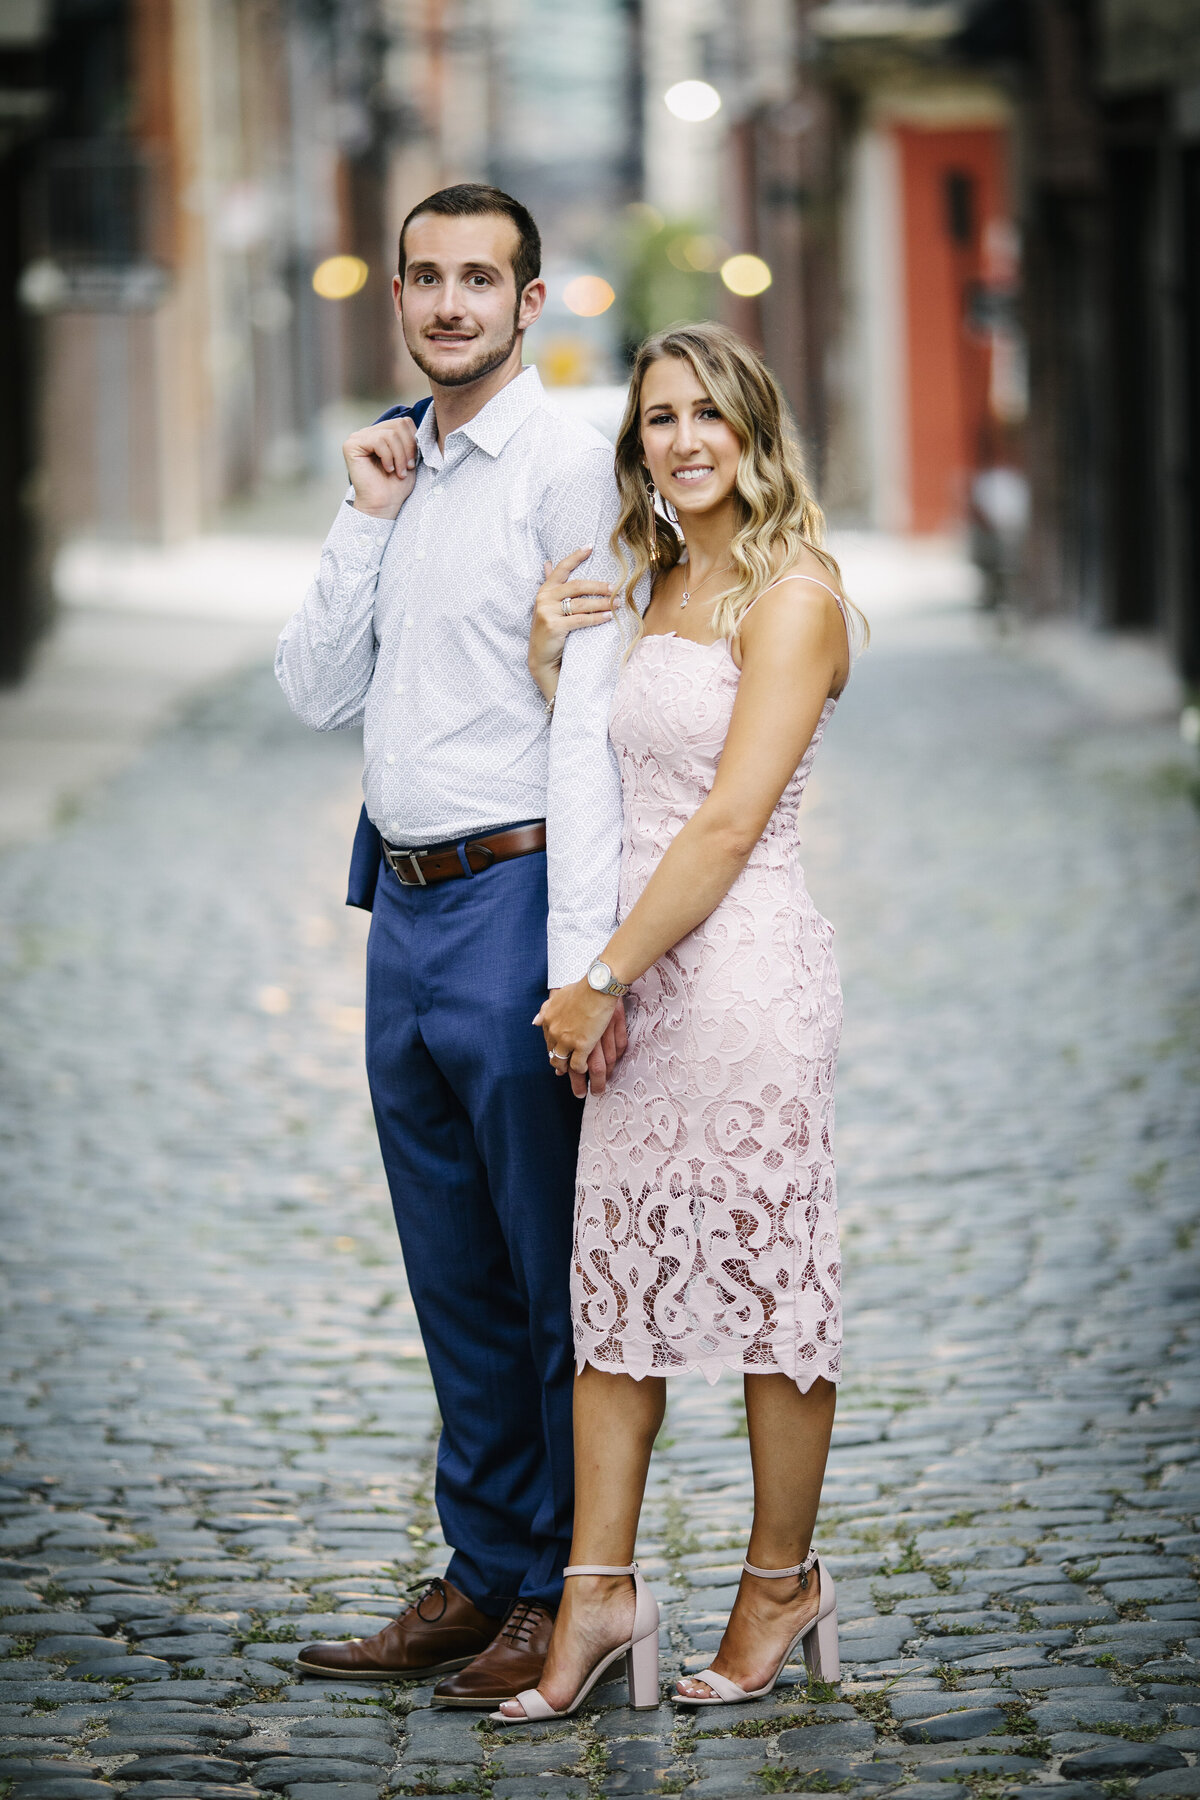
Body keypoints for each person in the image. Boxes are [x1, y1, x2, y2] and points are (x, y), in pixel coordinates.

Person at [275, 183, 634, 1707]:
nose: (446, 305)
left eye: (479, 279)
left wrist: (584, 961)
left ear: (531, 301)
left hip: (513, 898)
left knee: (548, 1272)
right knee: (450, 1267)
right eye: (425, 278)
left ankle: (565, 1593)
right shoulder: (395, 466)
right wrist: (365, 516)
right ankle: (482, 1569)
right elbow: (309, 691)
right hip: (401, 903)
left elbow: (598, 723)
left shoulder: (564, 470)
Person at [495, 322, 867, 1723]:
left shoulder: (795, 595)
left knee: (774, 1292)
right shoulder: (646, 584)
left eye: (709, 414)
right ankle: (598, 1592)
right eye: (659, 419)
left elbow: (722, 823)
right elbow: (620, 779)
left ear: (755, 432)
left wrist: (599, 978)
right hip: (642, 965)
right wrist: (551, 668)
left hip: (742, 971)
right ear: (636, 445)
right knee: (620, 1296)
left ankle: (779, 1583)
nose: (685, 439)